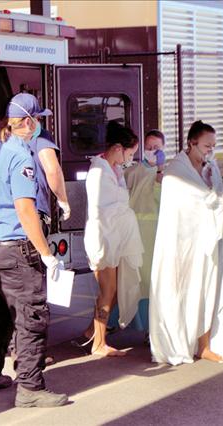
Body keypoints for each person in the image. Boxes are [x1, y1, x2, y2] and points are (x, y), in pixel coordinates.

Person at [0, 93, 70, 407]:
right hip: (16, 247)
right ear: (27, 122)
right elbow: (25, 210)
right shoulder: (21, 157)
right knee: (31, 316)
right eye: (39, 118)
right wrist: (46, 254)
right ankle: (31, 389)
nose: (40, 124)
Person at [149, 120, 223, 365]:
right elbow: (191, 204)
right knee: (186, 291)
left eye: (213, 146)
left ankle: (204, 344)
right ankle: (182, 341)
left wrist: (219, 192)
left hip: (208, 242)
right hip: (182, 244)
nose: (210, 150)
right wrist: (216, 198)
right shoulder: (175, 171)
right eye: (206, 146)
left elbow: (216, 197)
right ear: (192, 143)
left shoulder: (211, 167)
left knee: (209, 290)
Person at [82, 120, 144, 356]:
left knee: (114, 291)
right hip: (103, 238)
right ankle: (99, 344)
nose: (130, 158)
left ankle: (92, 332)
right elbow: (104, 209)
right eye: (130, 153)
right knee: (107, 292)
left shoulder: (113, 169)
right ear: (118, 148)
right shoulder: (99, 171)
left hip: (113, 237)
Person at [107, 129, 166, 342]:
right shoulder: (131, 172)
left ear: (163, 149)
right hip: (133, 230)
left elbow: (163, 199)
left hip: (156, 230)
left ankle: (153, 328)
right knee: (129, 276)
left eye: (156, 148)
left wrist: (160, 170)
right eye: (148, 148)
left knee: (152, 279)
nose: (152, 151)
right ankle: (114, 320)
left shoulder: (167, 174)